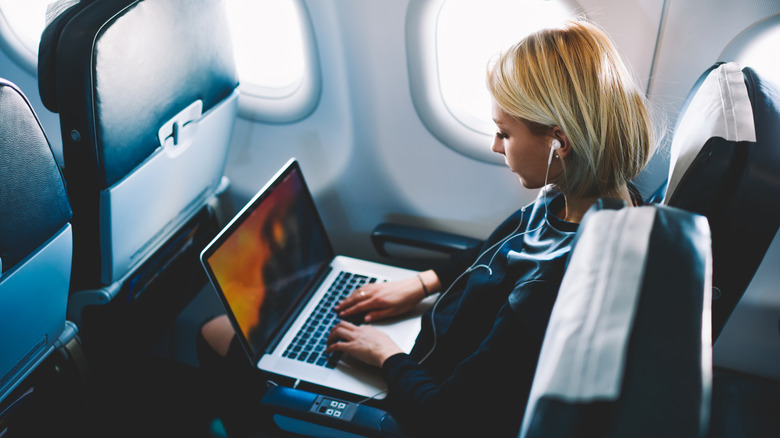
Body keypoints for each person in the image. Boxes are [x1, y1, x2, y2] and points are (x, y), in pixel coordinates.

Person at [198, 19, 655, 437]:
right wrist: (421, 284)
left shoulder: (550, 287)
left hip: (416, 398)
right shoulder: (588, 197)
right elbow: (493, 252)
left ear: (560, 143)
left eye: (505, 133)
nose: (496, 146)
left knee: (219, 334)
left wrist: (386, 356)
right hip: (434, 348)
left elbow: (448, 420)